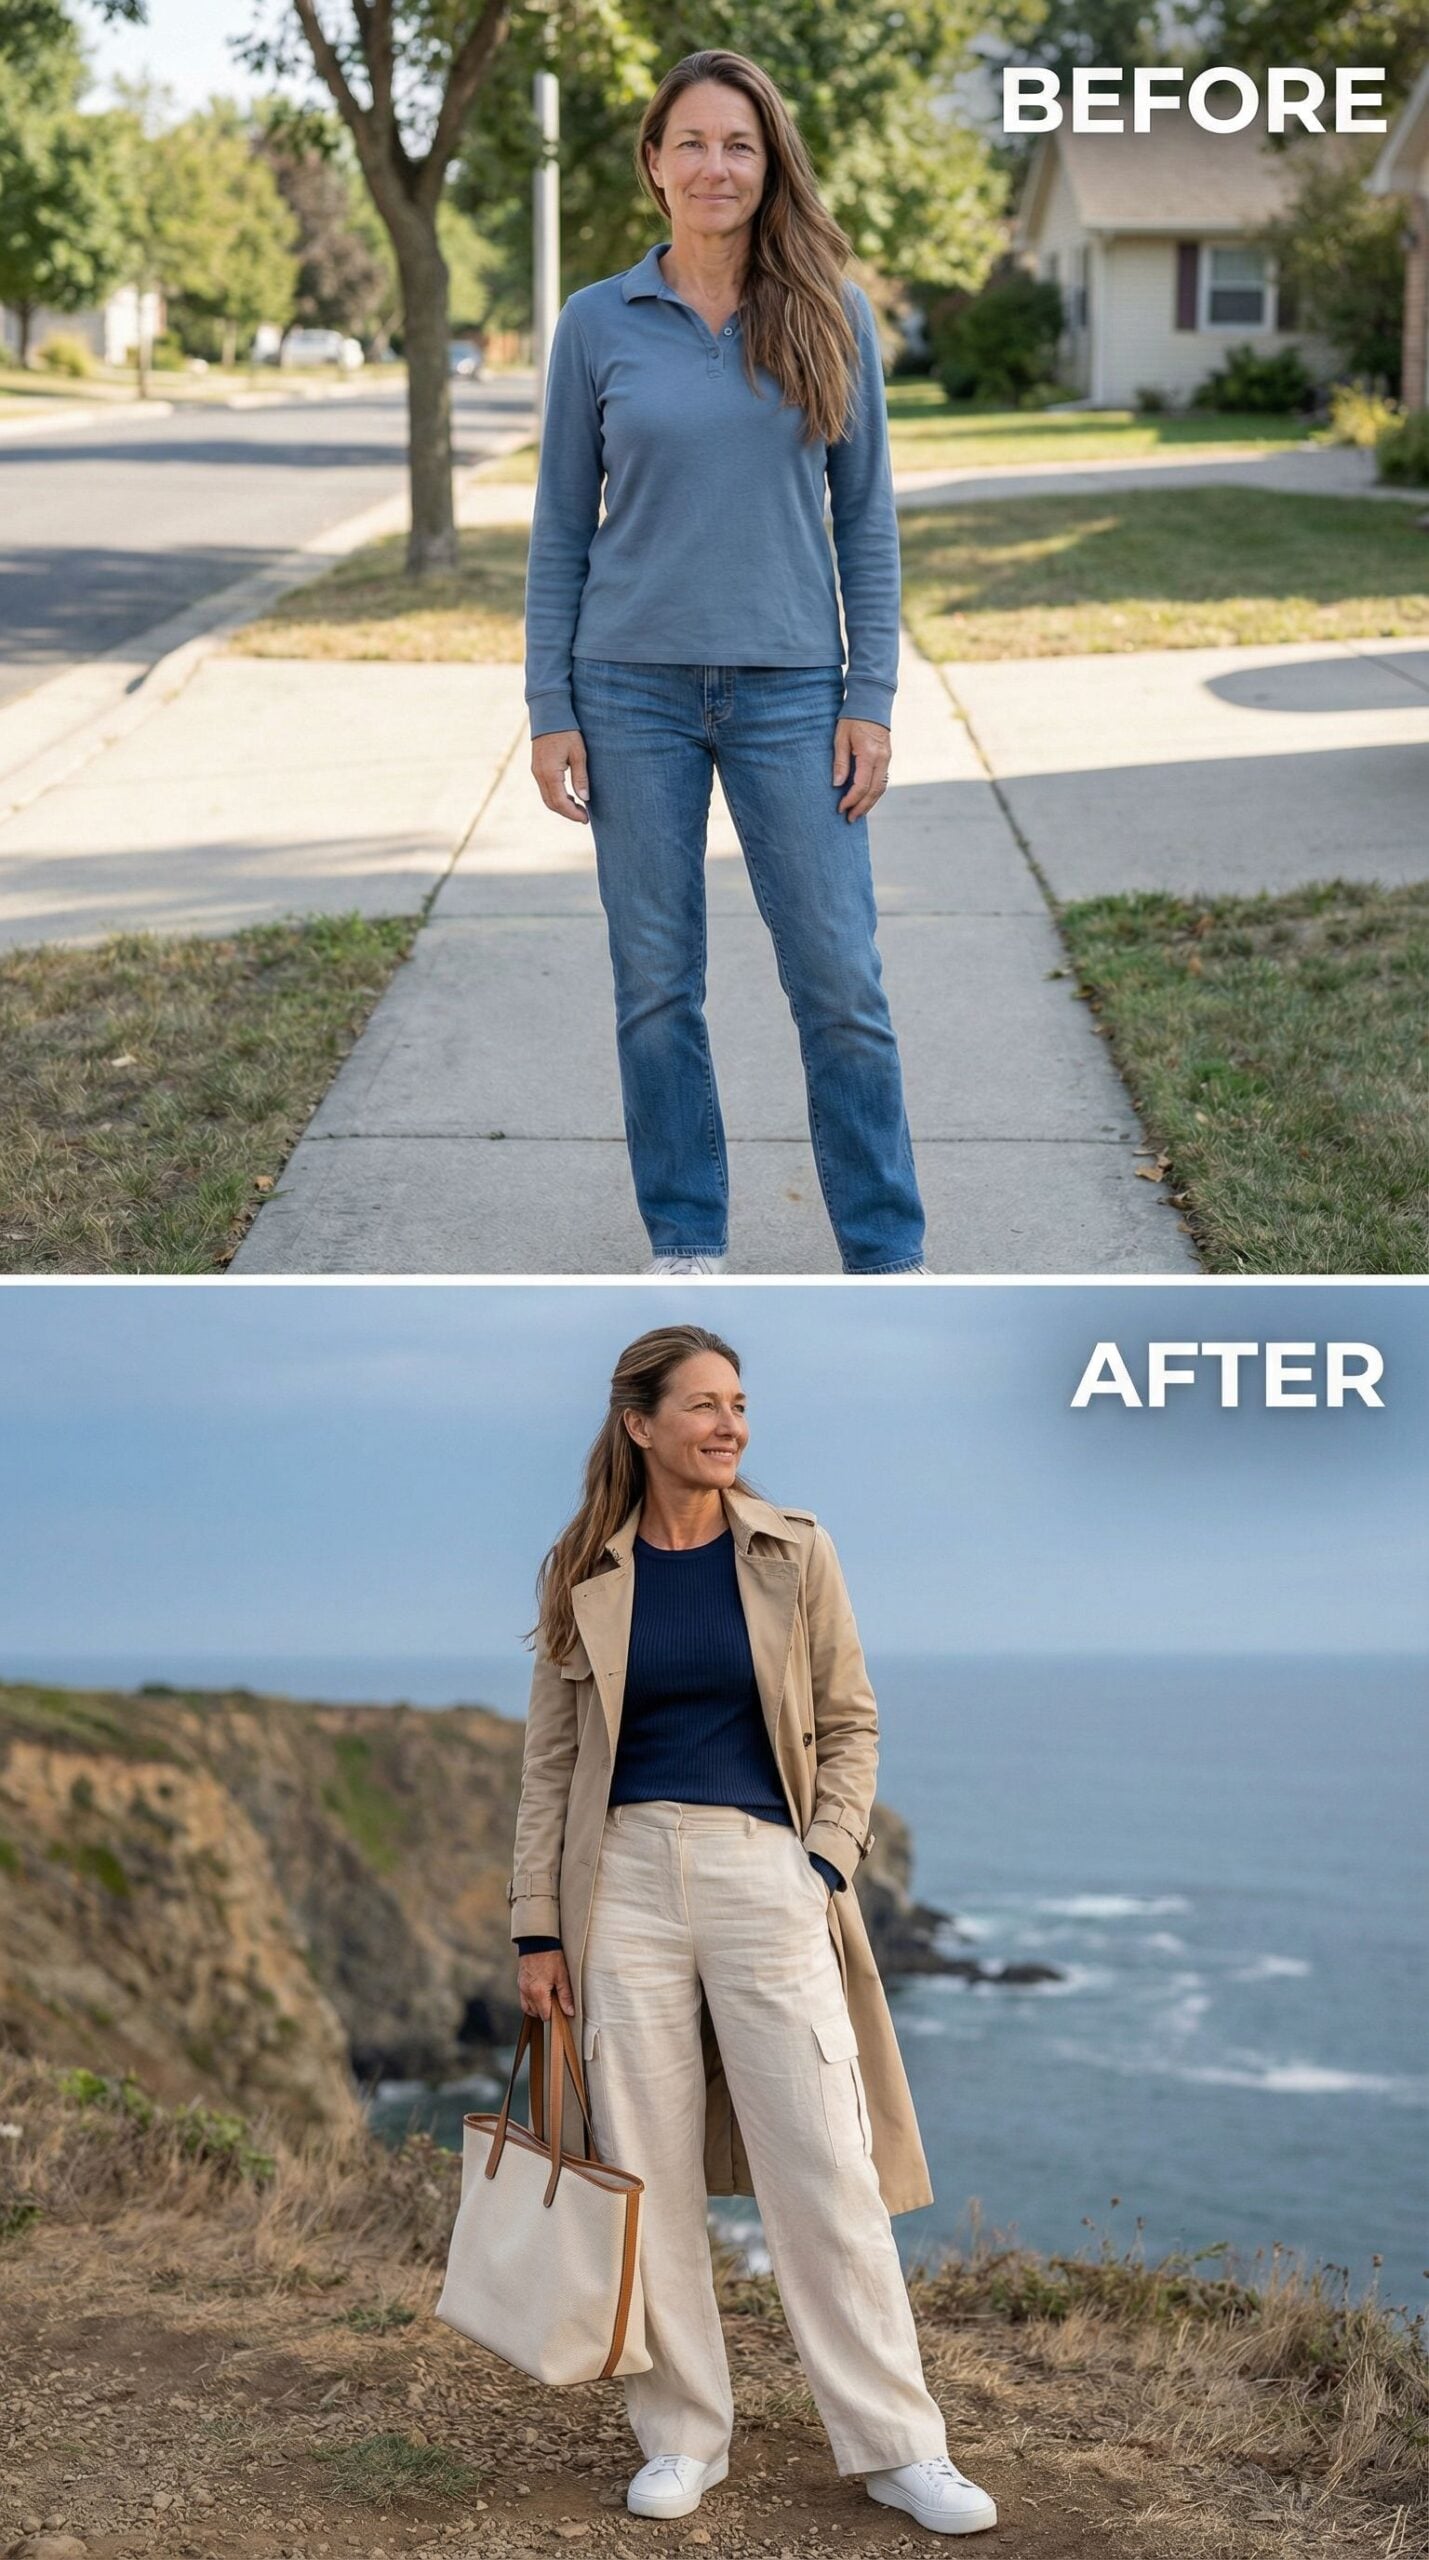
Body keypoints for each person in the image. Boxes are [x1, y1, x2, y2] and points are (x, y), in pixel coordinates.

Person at [507, 1324, 995, 2534]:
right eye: (703, 1406)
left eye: (738, 1405)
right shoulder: (583, 1567)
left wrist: (821, 1859)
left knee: (825, 2166)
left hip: (761, 1871)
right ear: (640, 1423)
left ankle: (896, 2444)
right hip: (615, 1881)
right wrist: (537, 1933)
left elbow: (851, 1722)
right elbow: (549, 1764)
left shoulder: (794, 1551)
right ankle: (681, 2435)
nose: (728, 1425)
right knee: (647, 2166)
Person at [524, 49, 928, 1279]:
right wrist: (551, 704)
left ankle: (885, 1251)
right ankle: (687, 1238)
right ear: (653, 165)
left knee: (840, 983)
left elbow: (865, 520)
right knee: (655, 984)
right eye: (690, 142)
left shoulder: (829, 310)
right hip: (629, 688)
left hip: (792, 692)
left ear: (769, 166)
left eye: (738, 145)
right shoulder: (596, 322)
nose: (714, 165)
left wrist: (871, 696)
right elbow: (557, 525)